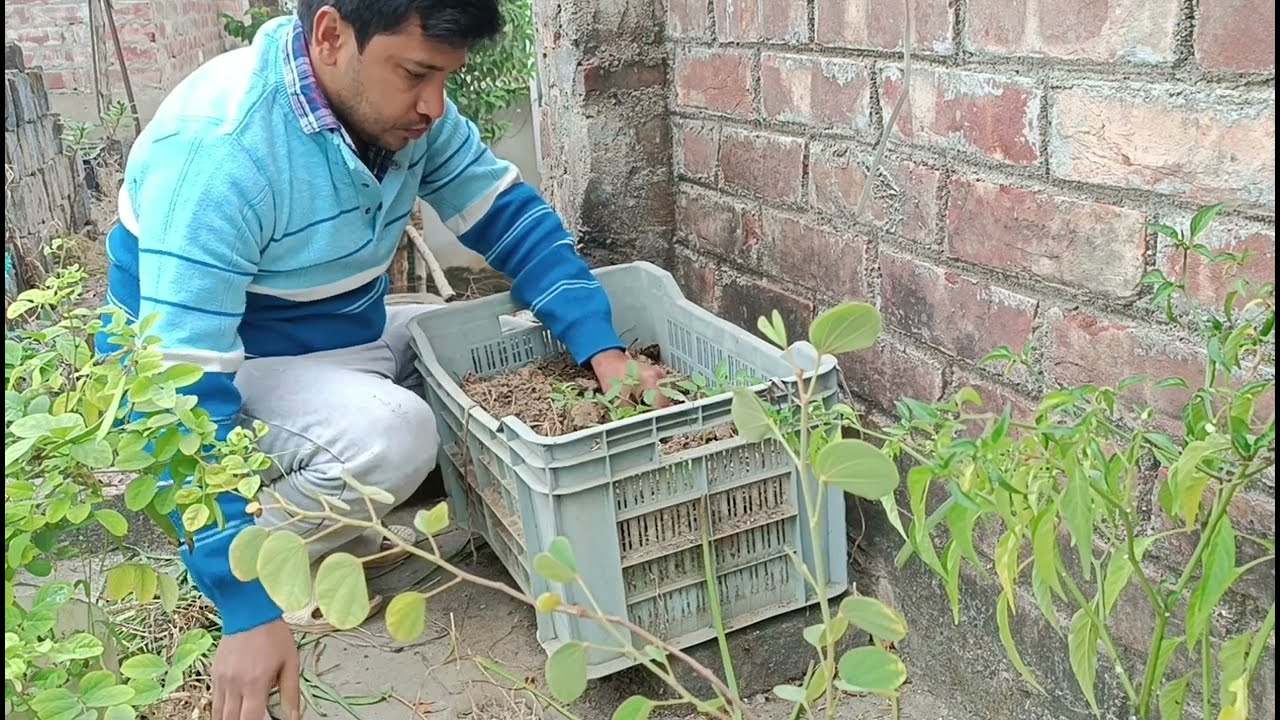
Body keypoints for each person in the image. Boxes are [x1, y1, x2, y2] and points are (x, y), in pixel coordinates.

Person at [95, 1, 666, 717]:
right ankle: (270, 555)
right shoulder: (222, 150)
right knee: (397, 435)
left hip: (329, 340)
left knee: (464, 346)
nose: (434, 106)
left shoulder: (398, 113)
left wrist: (605, 353)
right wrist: (243, 602)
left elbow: (512, 222)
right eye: (416, 74)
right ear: (331, 36)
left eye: (447, 79)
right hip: (209, 364)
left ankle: (339, 512)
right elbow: (177, 390)